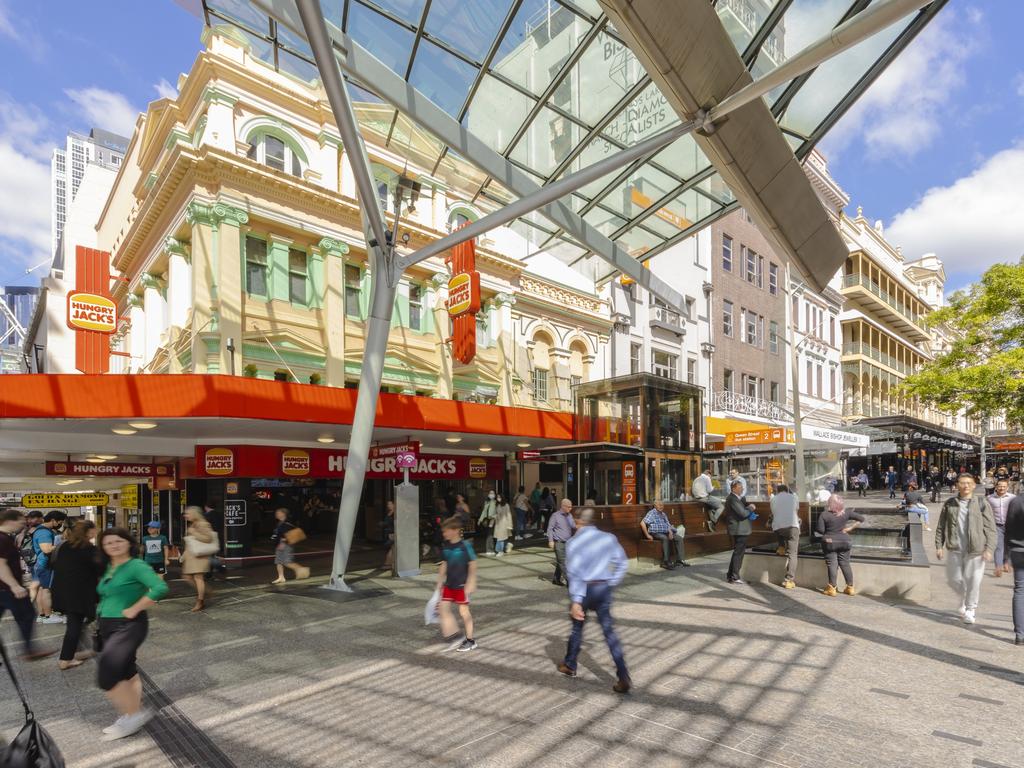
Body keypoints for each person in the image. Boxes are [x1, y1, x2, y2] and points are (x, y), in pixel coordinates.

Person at [95, 527, 169, 740]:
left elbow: (159, 588)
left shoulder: (136, 565)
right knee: (127, 671)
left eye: (118, 541)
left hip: (128, 625)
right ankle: (131, 716)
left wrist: (136, 608)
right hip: (108, 625)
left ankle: (135, 715)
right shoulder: (110, 567)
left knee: (106, 675)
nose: (113, 545)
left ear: (128, 542)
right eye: (108, 543)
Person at [557, 507, 630, 693]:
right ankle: (623, 675)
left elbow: (575, 574)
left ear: (578, 521)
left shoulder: (573, 543)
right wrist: (611, 582)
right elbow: (622, 562)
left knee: (577, 628)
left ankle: (570, 664)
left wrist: (576, 600)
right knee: (609, 633)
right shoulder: (608, 538)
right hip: (603, 588)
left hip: (585, 589)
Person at [935, 473, 997, 625]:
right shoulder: (950, 503)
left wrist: (989, 548)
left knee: (974, 580)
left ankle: (970, 609)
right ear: (957, 485)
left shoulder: (982, 503)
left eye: (969, 483)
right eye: (962, 483)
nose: (965, 486)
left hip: (976, 549)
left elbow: (991, 528)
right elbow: (941, 526)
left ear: (974, 485)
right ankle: (964, 597)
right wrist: (939, 546)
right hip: (955, 548)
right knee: (954, 580)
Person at [0, 510, 53, 662]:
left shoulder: (6, 538)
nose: (23, 525)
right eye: (20, 522)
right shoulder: (2, 539)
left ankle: (29, 650)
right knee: (27, 615)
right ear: (10, 521)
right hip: (8, 589)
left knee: (26, 616)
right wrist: (14, 586)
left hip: (5, 588)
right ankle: (29, 651)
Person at [51, 519, 102, 670]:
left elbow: (53, 565)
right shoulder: (89, 549)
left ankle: (76, 651)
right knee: (74, 625)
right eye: (94, 529)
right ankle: (65, 659)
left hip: (62, 591)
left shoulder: (64, 546)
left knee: (77, 623)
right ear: (88, 532)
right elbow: (99, 570)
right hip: (80, 594)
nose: (96, 532)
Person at [436, 517, 478, 652]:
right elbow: (444, 563)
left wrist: (471, 581)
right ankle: (456, 636)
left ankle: (470, 640)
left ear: (455, 531)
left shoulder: (465, 546)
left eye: (446, 531)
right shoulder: (446, 546)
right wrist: (439, 581)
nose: (444, 534)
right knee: (443, 608)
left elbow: (473, 563)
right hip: (449, 584)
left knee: (463, 612)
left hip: (462, 585)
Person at [816, 495, 865, 596]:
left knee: (832, 564)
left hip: (830, 543)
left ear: (830, 503)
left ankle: (832, 588)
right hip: (845, 541)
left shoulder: (824, 515)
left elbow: (820, 530)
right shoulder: (847, 512)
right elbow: (861, 519)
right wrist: (850, 528)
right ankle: (850, 588)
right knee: (845, 563)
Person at [32, 510, 67, 624]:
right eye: (59, 522)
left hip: (41, 564)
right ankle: (48, 616)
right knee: (47, 590)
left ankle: (42, 614)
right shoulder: (44, 533)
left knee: (42, 589)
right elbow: (46, 549)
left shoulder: (41, 530)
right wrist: (61, 544)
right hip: (45, 564)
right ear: (53, 520)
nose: (60, 525)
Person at [181, 506, 215, 612]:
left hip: (200, 556)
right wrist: (184, 555)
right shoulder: (193, 524)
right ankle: (207, 591)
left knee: (198, 578)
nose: (185, 516)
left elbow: (208, 538)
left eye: (188, 514)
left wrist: (194, 533)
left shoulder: (203, 524)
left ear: (194, 514)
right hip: (191, 556)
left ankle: (200, 601)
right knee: (187, 577)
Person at [640, 500, 688, 569]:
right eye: (659, 505)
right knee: (665, 538)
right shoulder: (652, 513)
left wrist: (670, 532)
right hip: (656, 533)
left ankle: (680, 560)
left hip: (666, 532)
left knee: (679, 538)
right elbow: (642, 523)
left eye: (662, 505)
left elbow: (668, 525)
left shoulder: (663, 514)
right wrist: (647, 535)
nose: (661, 506)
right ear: (655, 505)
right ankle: (665, 562)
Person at [724, 481, 756, 585]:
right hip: (739, 530)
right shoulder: (732, 499)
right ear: (733, 488)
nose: (742, 489)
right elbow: (743, 513)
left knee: (737, 552)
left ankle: (731, 575)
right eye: (739, 487)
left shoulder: (738, 498)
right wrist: (751, 508)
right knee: (739, 553)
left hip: (741, 529)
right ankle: (734, 576)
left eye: (742, 487)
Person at [770, 484, 800, 589]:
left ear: (778, 491)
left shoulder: (773, 499)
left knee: (779, 530)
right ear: (787, 490)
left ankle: (781, 547)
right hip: (792, 527)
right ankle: (789, 580)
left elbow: (774, 512)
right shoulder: (794, 497)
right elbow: (796, 510)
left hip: (778, 528)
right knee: (793, 554)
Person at [270, 508, 310, 584]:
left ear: (283, 514)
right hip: (279, 545)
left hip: (285, 545)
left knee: (287, 562)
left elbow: (287, 536)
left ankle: (302, 570)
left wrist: (282, 543)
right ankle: (281, 577)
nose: (276, 514)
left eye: (278, 513)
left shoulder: (287, 523)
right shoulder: (280, 523)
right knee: (278, 562)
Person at [1004, 494, 1024, 645]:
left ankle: (1020, 634)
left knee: (1020, 590)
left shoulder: (1016, 501)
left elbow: (1008, 529)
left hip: (1018, 550)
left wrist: (1006, 556)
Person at [988, 478, 1015, 577]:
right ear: (996, 487)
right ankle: (998, 567)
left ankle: (1007, 563)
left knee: (1009, 546)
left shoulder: (1013, 498)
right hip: (996, 526)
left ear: (1007, 487)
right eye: (1000, 486)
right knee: (998, 546)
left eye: (1004, 486)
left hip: (1011, 525)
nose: (1002, 488)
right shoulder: (990, 498)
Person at [547, 498, 577, 586]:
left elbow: (573, 526)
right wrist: (550, 540)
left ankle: (556, 579)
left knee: (563, 561)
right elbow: (550, 529)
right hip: (558, 543)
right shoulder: (555, 516)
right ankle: (570, 582)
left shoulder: (569, 515)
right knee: (563, 562)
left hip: (568, 543)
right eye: (569, 507)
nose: (570, 509)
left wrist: (579, 526)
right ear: (563, 506)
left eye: (571, 507)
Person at [692, 467, 725, 533]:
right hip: (704, 498)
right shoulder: (707, 478)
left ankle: (712, 518)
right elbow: (709, 490)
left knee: (711, 506)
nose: (710, 478)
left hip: (697, 499)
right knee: (721, 506)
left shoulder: (697, 478)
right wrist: (713, 487)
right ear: (708, 474)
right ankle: (713, 521)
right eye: (710, 476)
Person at [478, 490, 497, 555]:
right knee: (489, 535)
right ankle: (489, 550)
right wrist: (480, 519)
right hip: (488, 519)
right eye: (490, 493)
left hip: (494, 520)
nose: (491, 494)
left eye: (493, 493)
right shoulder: (487, 502)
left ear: (495, 494)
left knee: (493, 535)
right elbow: (484, 511)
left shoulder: (496, 502)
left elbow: (498, 511)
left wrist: (494, 517)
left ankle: (493, 549)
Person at [382, 501, 395, 570]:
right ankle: (390, 563)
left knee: (392, 547)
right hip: (388, 533)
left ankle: (388, 563)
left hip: (393, 533)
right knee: (390, 548)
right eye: (387, 504)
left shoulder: (395, 513)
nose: (388, 505)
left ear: (394, 504)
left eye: (390, 504)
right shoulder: (389, 513)